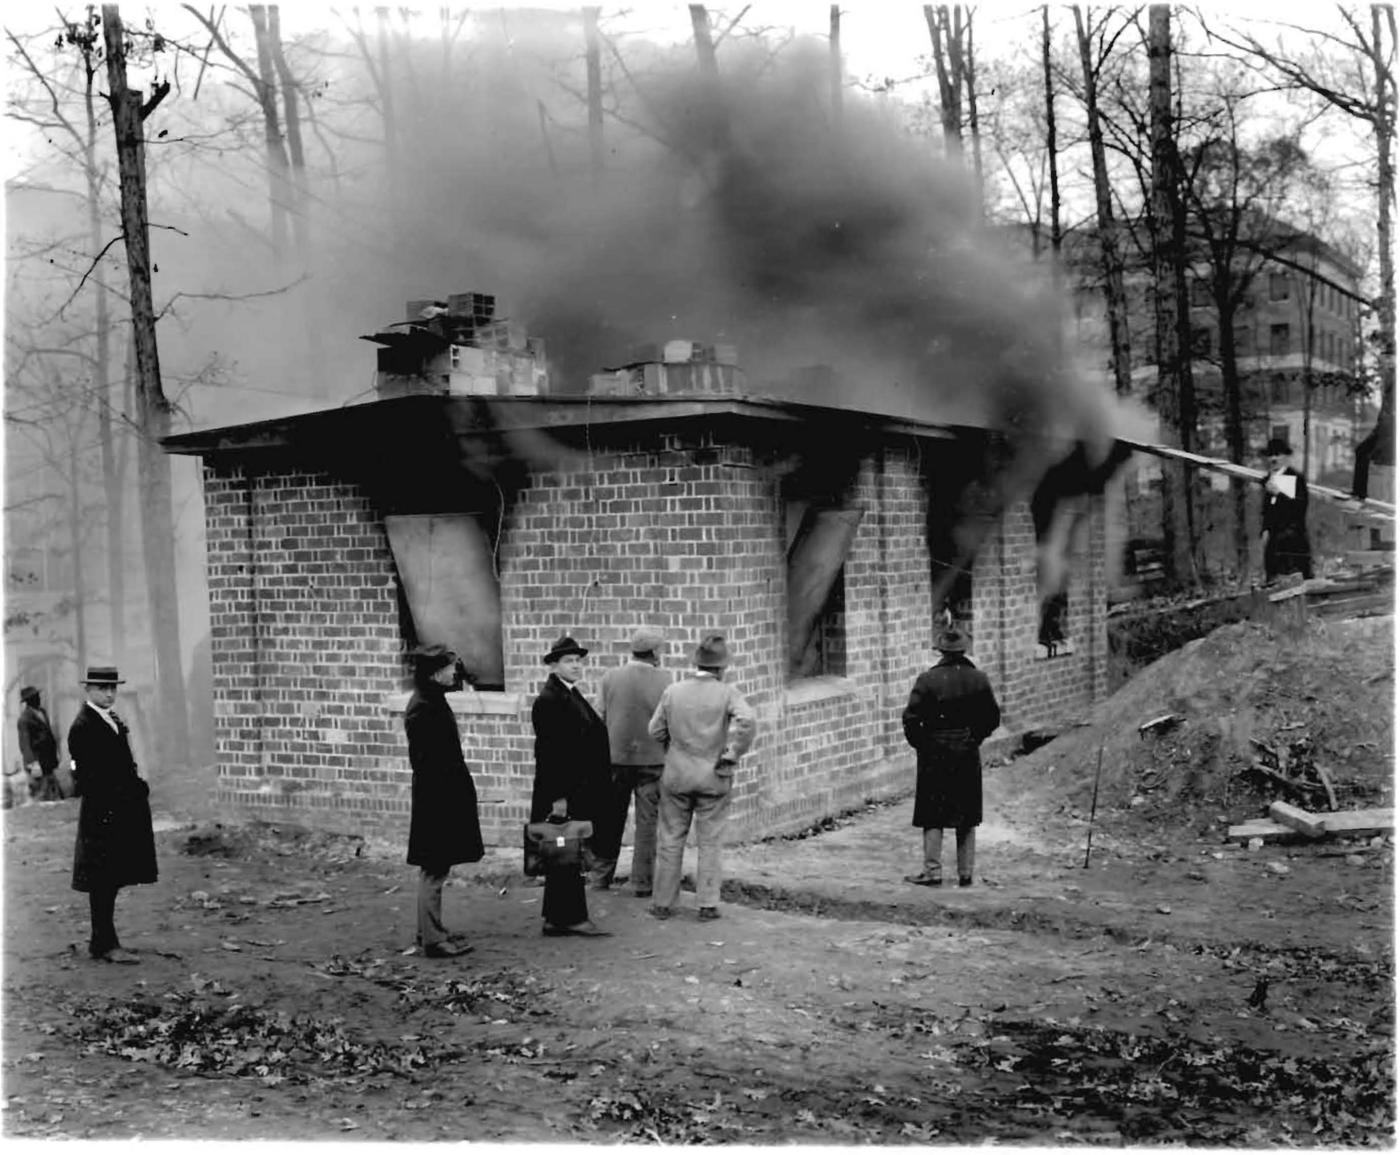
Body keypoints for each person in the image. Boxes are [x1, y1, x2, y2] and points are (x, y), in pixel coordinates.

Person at [647, 632, 756, 921]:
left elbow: (654, 729)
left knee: (670, 837)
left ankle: (663, 903)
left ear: (696, 662)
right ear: (721, 668)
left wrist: (672, 749)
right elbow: (747, 720)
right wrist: (733, 754)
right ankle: (707, 903)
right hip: (713, 775)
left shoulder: (673, 691)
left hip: (676, 775)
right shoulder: (727, 693)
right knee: (710, 840)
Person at [68, 665, 157, 964]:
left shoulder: (109, 719)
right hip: (102, 813)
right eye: (102, 688)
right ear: (88, 690)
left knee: (111, 878)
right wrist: (124, 793)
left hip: (116, 809)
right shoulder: (84, 725)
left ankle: (102, 941)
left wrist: (135, 787)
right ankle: (105, 943)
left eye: (113, 688)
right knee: (103, 880)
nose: (109, 693)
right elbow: (87, 776)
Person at [901, 624, 1001, 888]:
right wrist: (974, 738)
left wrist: (924, 745)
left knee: (932, 813)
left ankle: (932, 871)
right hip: (966, 752)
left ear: (941, 650)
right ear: (964, 649)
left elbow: (911, 720)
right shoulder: (979, 679)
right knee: (966, 814)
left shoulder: (927, 680)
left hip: (934, 755)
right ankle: (966, 873)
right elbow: (992, 718)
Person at [403, 643, 485, 958]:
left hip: (438, 796)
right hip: (436, 799)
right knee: (434, 869)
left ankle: (430, 931)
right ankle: (434, 939)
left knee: (436, 867)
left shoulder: (431, 701)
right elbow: (430, 762)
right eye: (450, 667)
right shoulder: (424, 707)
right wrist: (450, 796)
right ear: (436, 673)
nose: (455, 672)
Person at [530, 635, 611, 937]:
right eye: (568, 661)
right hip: (563, 794)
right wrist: (559, 799)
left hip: (577, 789)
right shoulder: (550, 700)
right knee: (565, 851)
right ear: (553, 665)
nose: (576, 665)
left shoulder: (569, 693)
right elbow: (551, 755)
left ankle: (556, 917)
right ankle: (572, 917)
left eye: (578, 660)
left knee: (565, 853)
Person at [595, 627, 672, 896]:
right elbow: (667, 722)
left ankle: (601, 876)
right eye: (660, 650)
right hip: (652, 760)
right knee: (647, 821)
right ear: (653, 653)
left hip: (615, 758)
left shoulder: (610, 677)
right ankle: (641, 881)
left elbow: (599, 717)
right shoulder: (666, 680)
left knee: (609, 818)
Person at [1260, 437, 1313, 582]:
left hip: (1294, 537)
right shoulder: (1267, 480)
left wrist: (1279, 493)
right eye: (1271, 455)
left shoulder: (1296, 477)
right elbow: (1266, 510)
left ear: (1285, 457)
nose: (1274, 459)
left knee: (1296, 577)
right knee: (1273, 578)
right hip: (1274, 538)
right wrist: (1264, 530)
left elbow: (1300, 506)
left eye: (1278, 455)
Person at [18, 685, 63, 802]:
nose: (39, 699)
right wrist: (33, 765)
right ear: (29, 701)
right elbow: (25, 745)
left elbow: (49, 735)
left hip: (48, 760)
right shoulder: (24, 719)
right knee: (40, 795)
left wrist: (56, 754)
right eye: (35, 697)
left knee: (52, 792)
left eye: (38, 696)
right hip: (37, 762)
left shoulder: (43, 712)